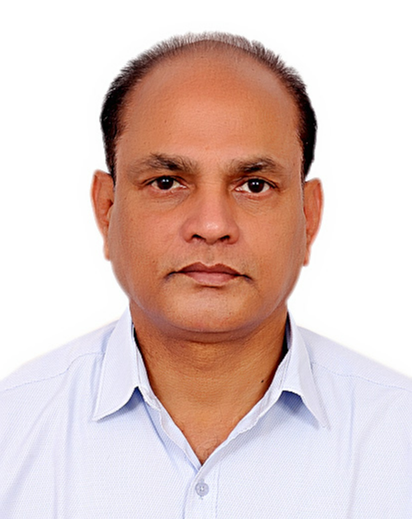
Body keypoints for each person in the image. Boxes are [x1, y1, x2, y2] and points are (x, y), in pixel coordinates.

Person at [0, 32, 411, 518]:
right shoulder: (12, 430)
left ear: (309, 217)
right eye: (166, 182)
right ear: (107, 209)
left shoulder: (399, 440)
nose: (212, 226)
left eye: (254, 185)